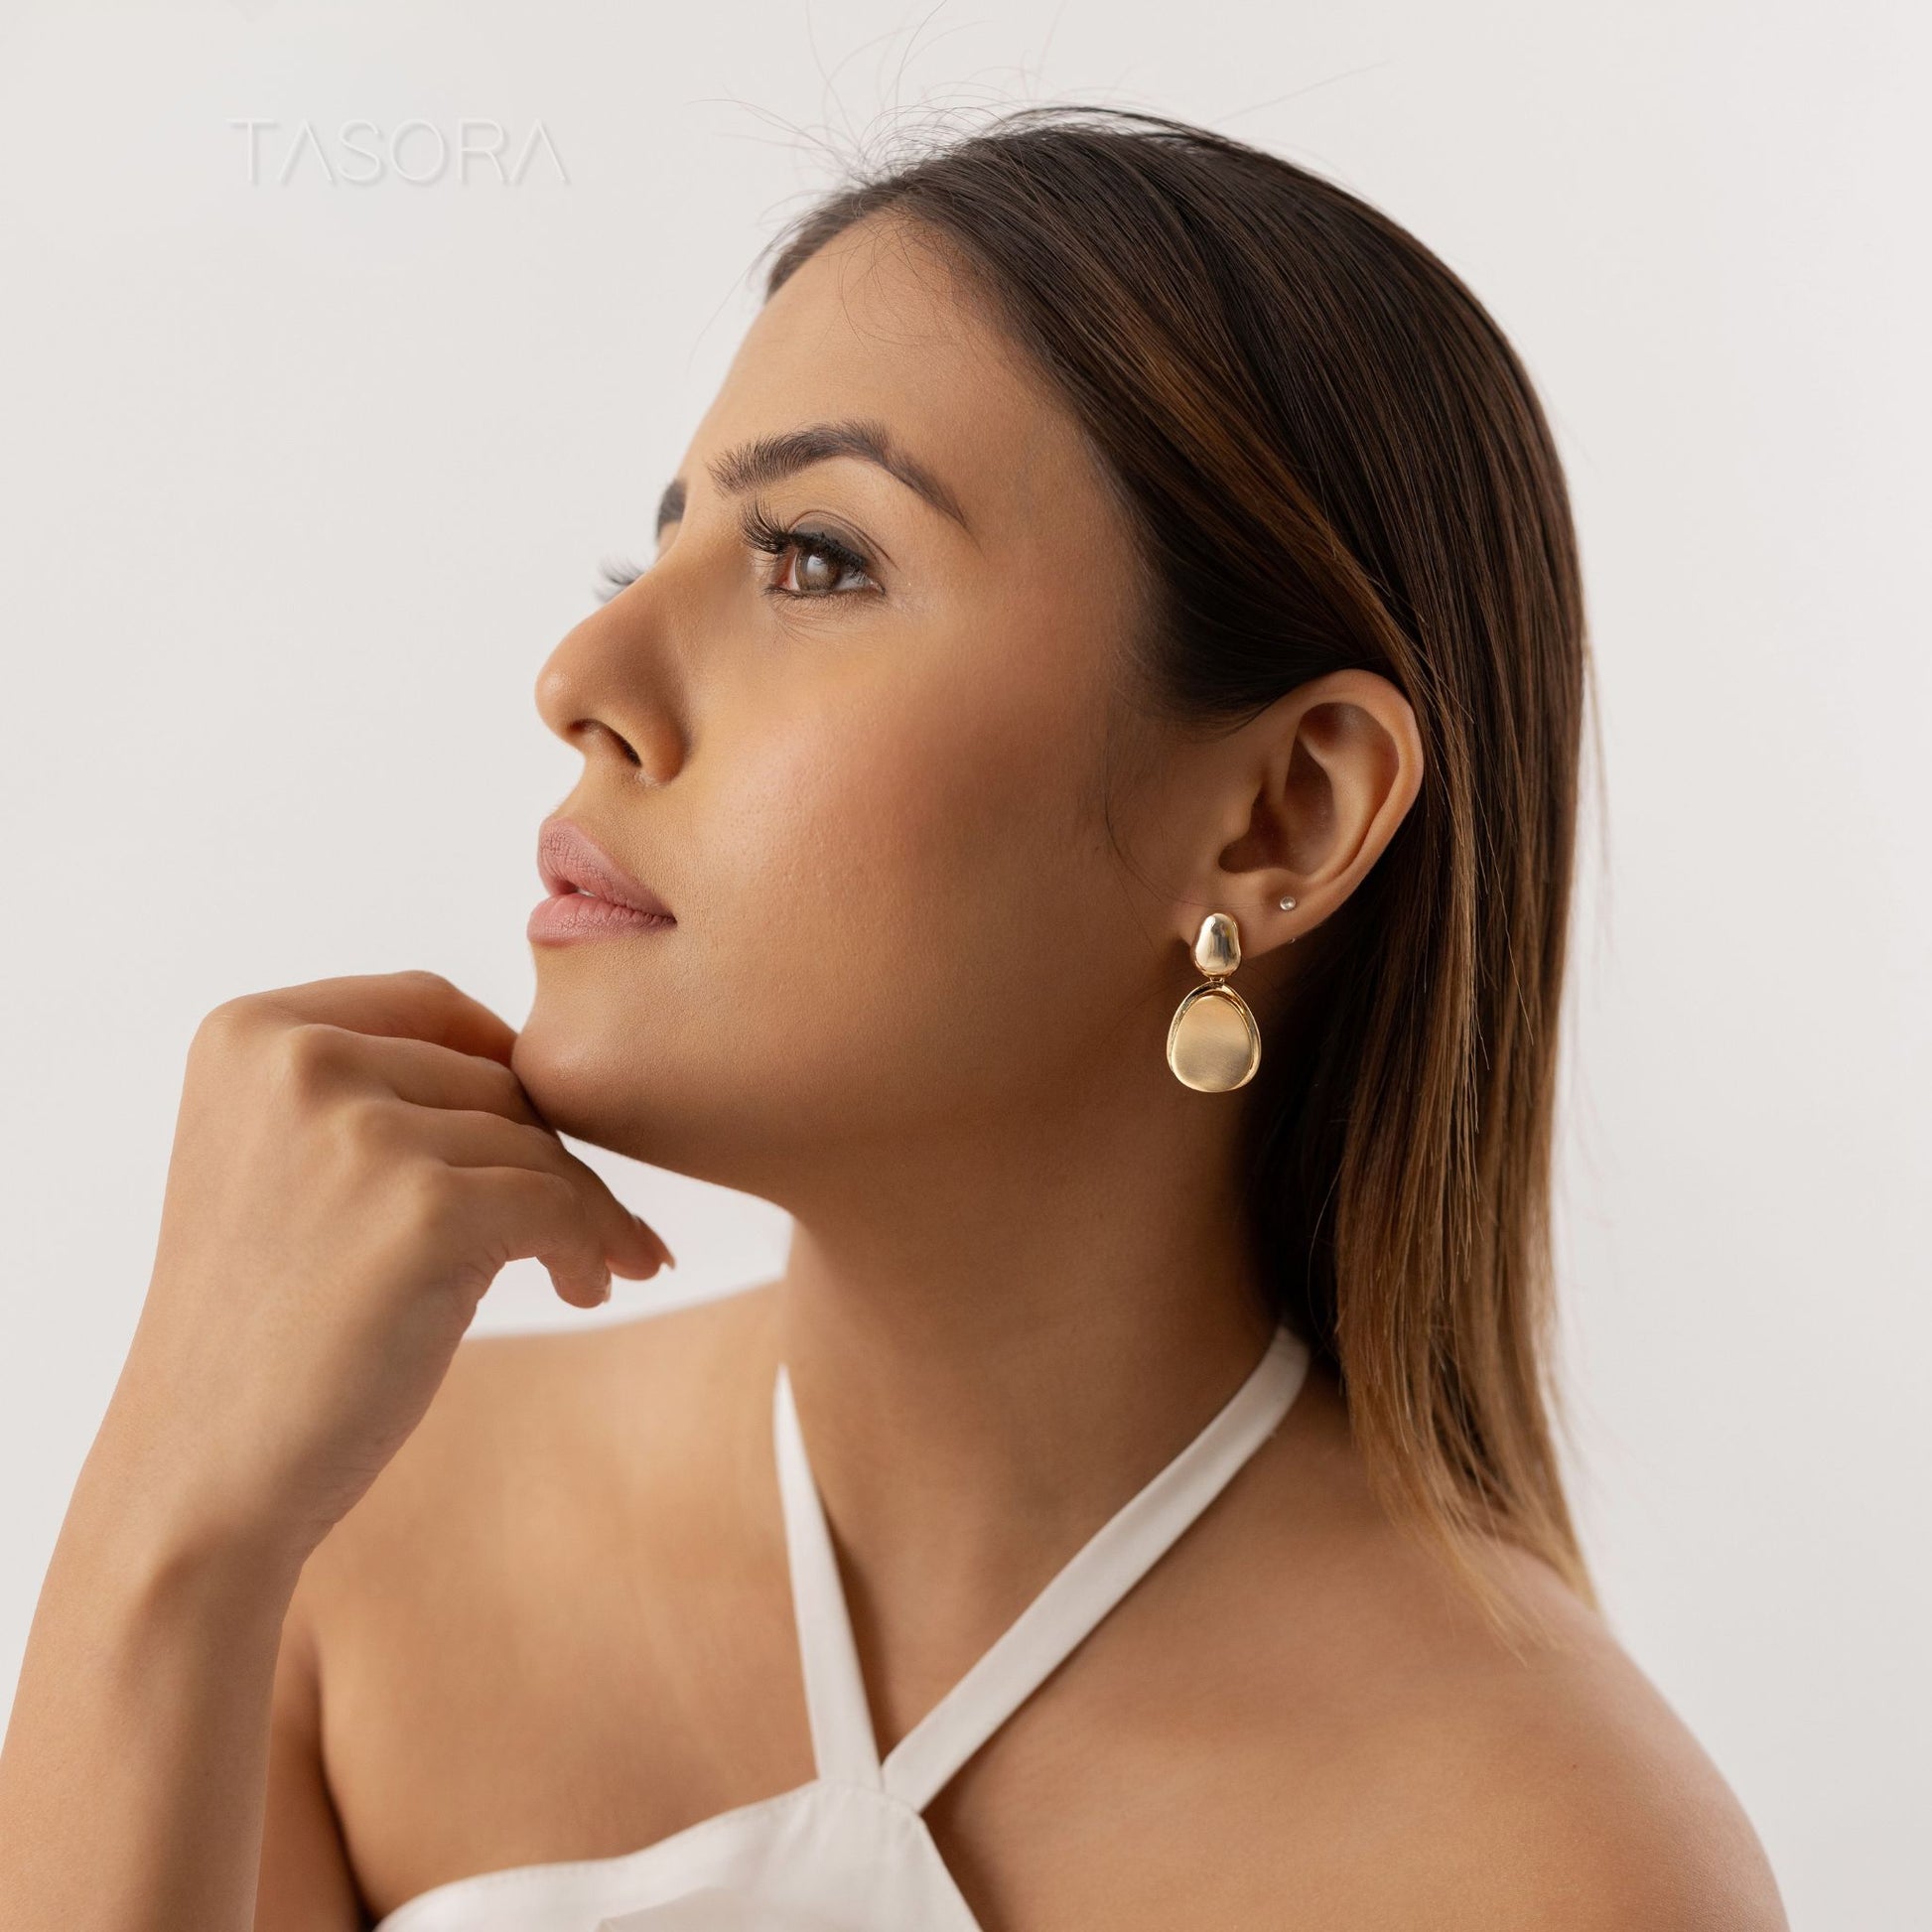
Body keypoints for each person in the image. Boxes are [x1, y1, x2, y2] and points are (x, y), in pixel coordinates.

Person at [0, 105, 1789, 1929]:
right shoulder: (356, 1532)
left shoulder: (1550, 1866)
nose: (579, 679)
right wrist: (170, 1530)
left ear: (1280, 816)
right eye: (653, 558)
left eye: (816, 561)